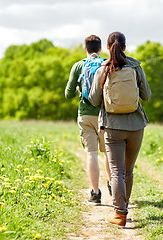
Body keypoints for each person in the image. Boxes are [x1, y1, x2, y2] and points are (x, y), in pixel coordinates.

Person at [89, 31, 151, 227]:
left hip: (112, 126)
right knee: (127, 171)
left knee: (116, 171)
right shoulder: (135, 66)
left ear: (107, 48)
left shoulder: (103, 69)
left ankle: (120, 214)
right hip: (136, 126)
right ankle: (124, 206)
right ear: (125, 47)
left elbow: (94, 100)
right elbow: (147, 95)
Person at [65, 35, 111, 205]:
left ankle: (95, 193)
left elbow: (67, 94)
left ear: (85, 48)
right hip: (105, 115)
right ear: (100, 49)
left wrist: (79, 89)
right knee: (108, 153)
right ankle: (113, 185)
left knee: (91, 154)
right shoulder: (107, 63)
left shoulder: (79, 65)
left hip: (85, 114)